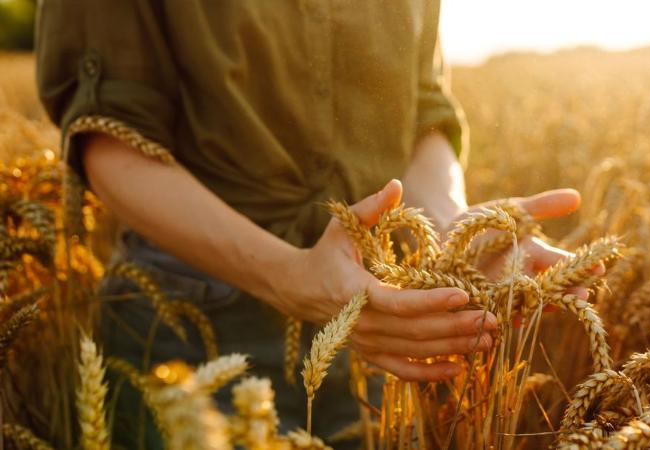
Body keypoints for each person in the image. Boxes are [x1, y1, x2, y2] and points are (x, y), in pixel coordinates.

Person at [36, 1, 585, 448]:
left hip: (380, 319)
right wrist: (293, 277)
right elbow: (109, 137)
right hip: (188, 325)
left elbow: (421, 116)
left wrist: (452, 236)